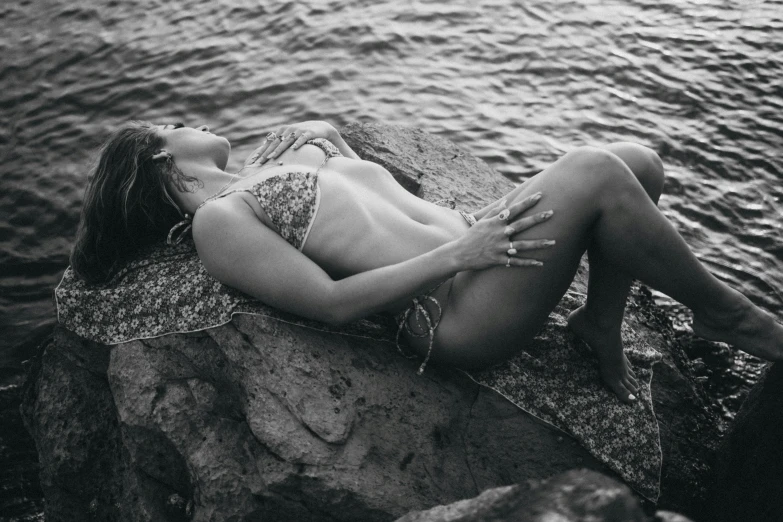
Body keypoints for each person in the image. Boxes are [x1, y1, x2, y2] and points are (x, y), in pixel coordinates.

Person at [70, 120, 783, 403]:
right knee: (596, 168)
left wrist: (333, 145)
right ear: (158, 156)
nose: (195, 121)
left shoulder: (264, 169)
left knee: (638, 160)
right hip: (456, 310)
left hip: (474, 254)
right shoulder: (217, 224)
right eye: (176, 123)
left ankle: (599, 327)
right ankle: (728, 314)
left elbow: (370, 208)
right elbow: (331, 302)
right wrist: (458, 251)